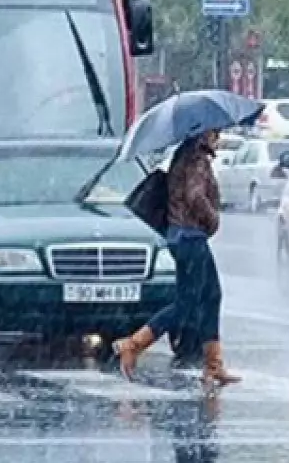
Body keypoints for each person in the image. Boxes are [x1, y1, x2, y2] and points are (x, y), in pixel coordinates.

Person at [111, 129, 240, 390]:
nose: (218, 137)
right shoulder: (196, 160)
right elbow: (195, 197)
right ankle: (132, 344)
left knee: (211, 295)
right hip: (190, 237)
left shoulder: (184, 155)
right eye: (215, 133)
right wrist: (212, 219)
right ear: (203, 135)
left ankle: (213, 365)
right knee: (187, 303)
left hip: (181, 236)